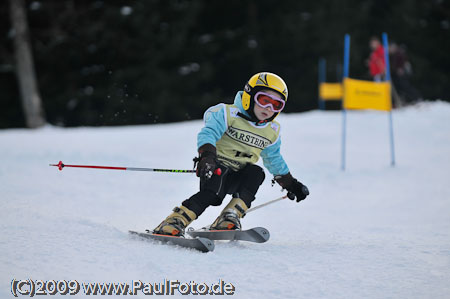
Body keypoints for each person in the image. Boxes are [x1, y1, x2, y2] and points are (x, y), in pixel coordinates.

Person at [153, 72, 310, 236]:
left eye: (276, 105)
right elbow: (209, 133)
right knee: (212, 195)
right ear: (249, 96)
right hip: (215, 168)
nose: (268, 108)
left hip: (238, 174)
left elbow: (273, 159)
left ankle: (229, 216)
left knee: (256, 173)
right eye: (264, 100)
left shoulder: (271, 131)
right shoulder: (228, 114)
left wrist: (291, 184)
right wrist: (207, 156)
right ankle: (174, 221)